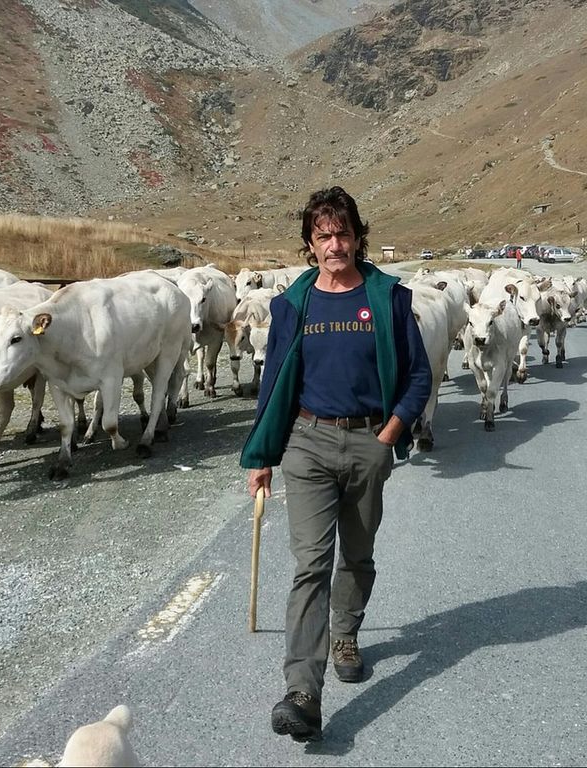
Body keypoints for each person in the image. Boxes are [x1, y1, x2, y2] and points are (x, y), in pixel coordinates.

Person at [240, 186, 431, 743]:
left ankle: (345, 632)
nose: (334, 245)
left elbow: (419, 374)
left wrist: (390, 432)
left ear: (357, 237)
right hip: (308, 441)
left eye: (342, 233)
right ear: (309, 243)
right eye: (322, 236)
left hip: (369, 440)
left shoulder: (388, 298)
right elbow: (275, 384)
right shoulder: (293, 305)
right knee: (310, 564)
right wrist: (262, 456)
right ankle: (303, 692)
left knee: (358, 552)